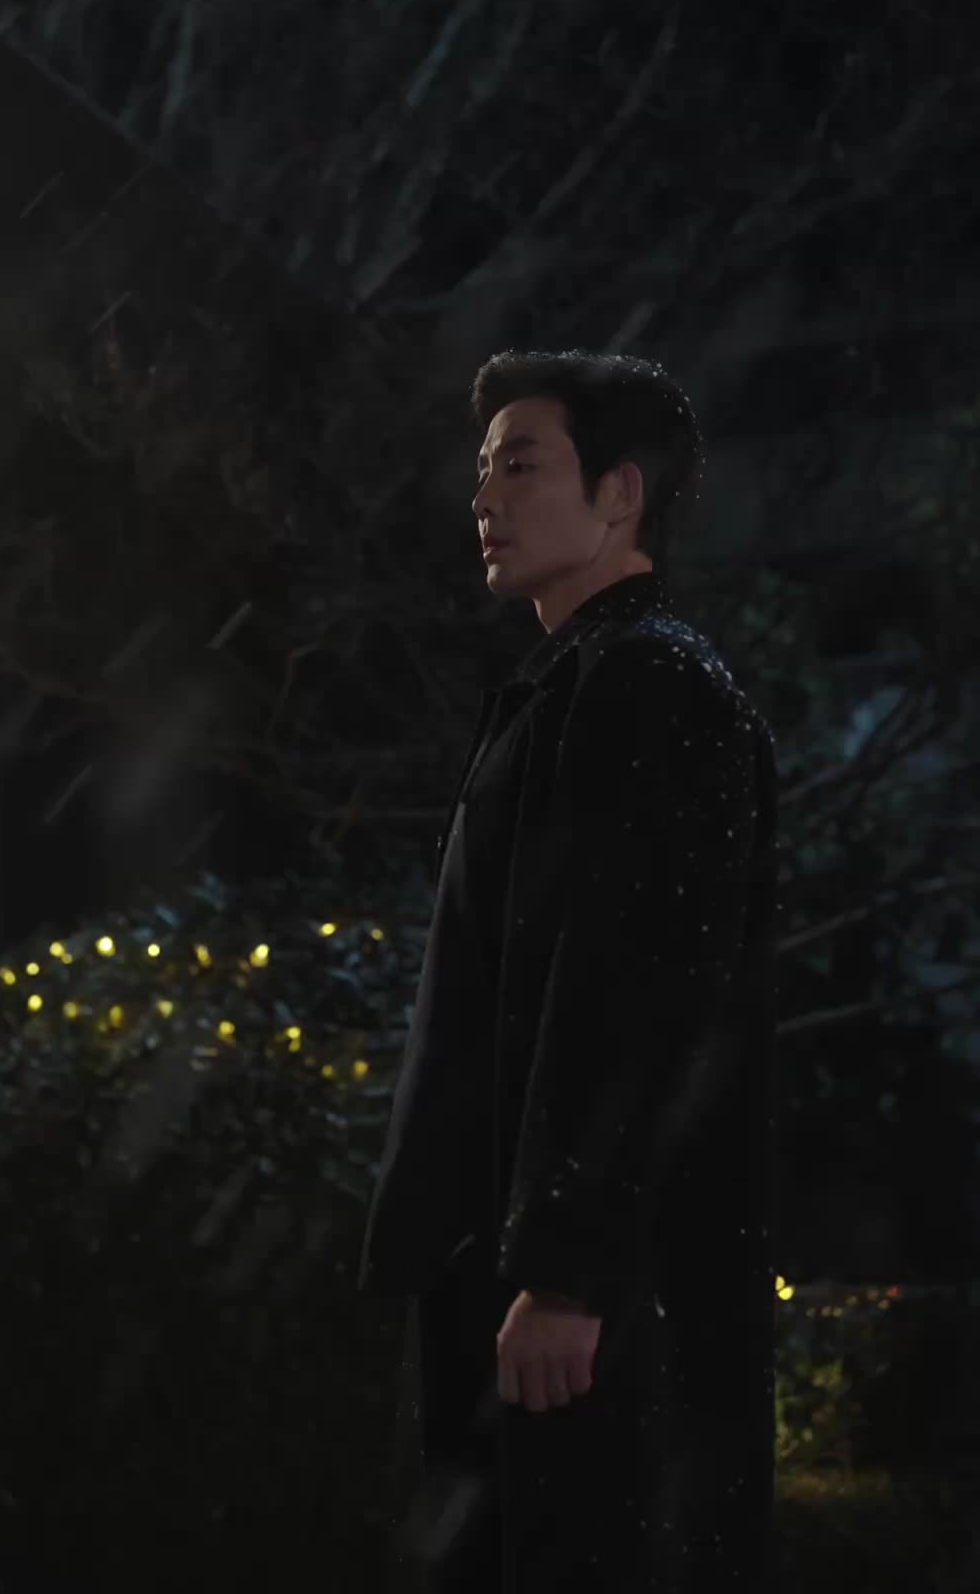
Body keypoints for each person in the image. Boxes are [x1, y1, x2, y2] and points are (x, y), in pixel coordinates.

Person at [358, 349, 780, 1590]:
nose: (484, 498)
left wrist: (565, 1271)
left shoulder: (649, 684)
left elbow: (638, 992)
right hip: (527, 1268)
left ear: (620, 494)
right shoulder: (583, 682)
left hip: (592, 1296)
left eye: (521, 466)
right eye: (483, 470)